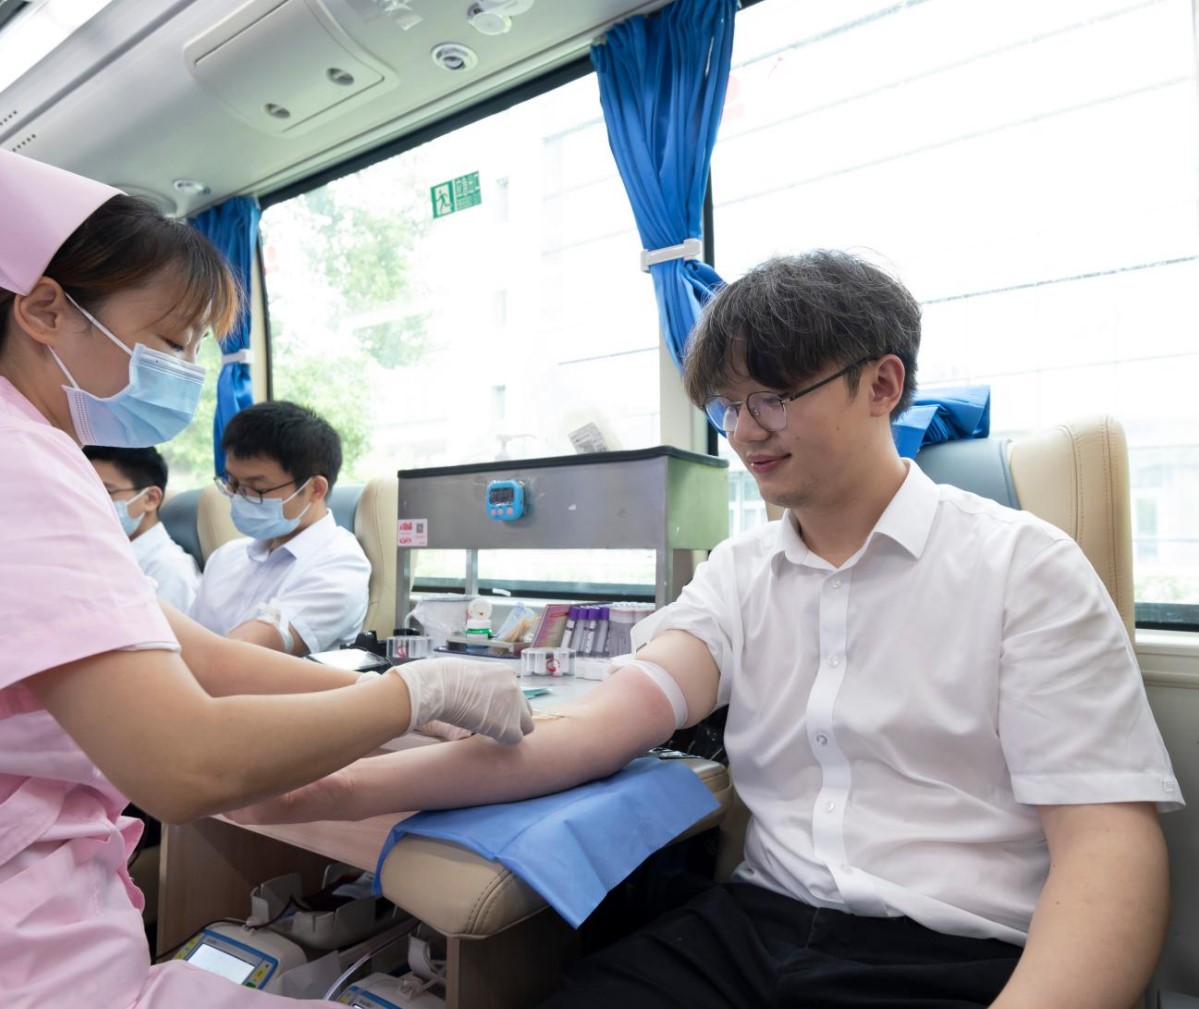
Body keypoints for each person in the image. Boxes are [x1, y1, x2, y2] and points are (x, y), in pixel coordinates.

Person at [234, 251, 1183, 1009]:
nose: (744, 430)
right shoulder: (738, 573)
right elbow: (587, 737)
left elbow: (1108, 848)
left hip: (952, 954)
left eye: (772, 397)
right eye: (727, 404)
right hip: (751, 928)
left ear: (881, 384)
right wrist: (334, 785)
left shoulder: (1024, 567)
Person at [0, 139, 532, 1009]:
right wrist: (415, 695)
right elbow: (181, 763)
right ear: (46, 310)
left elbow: (202, 656)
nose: (186, 373)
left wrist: (405, 705)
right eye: (170, 341)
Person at [191, 401, 370, 656]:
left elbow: (240, 653)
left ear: (315, 489)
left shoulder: (340, 565)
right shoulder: (226, 557)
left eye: (257, 488)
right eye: (232, 482)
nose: (238, 497)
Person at [85, 445, 201, 612]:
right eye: (87, 491)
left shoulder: (169, 569)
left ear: (151, 499)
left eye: (106, 491)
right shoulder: (101, 552)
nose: (91, 501)